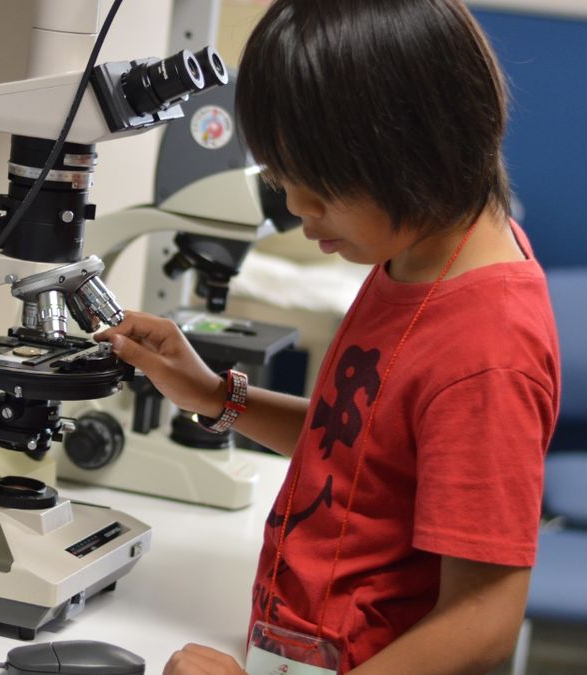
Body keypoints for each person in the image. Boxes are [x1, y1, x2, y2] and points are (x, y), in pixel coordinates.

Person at [94, 1, 561, 673]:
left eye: (320, 190)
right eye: (286, 182)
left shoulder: (489, 351)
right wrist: (210, 393)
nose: (297, 211)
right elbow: (364, 448)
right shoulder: (416, 255)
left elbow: (484, 618)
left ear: (417, 148)